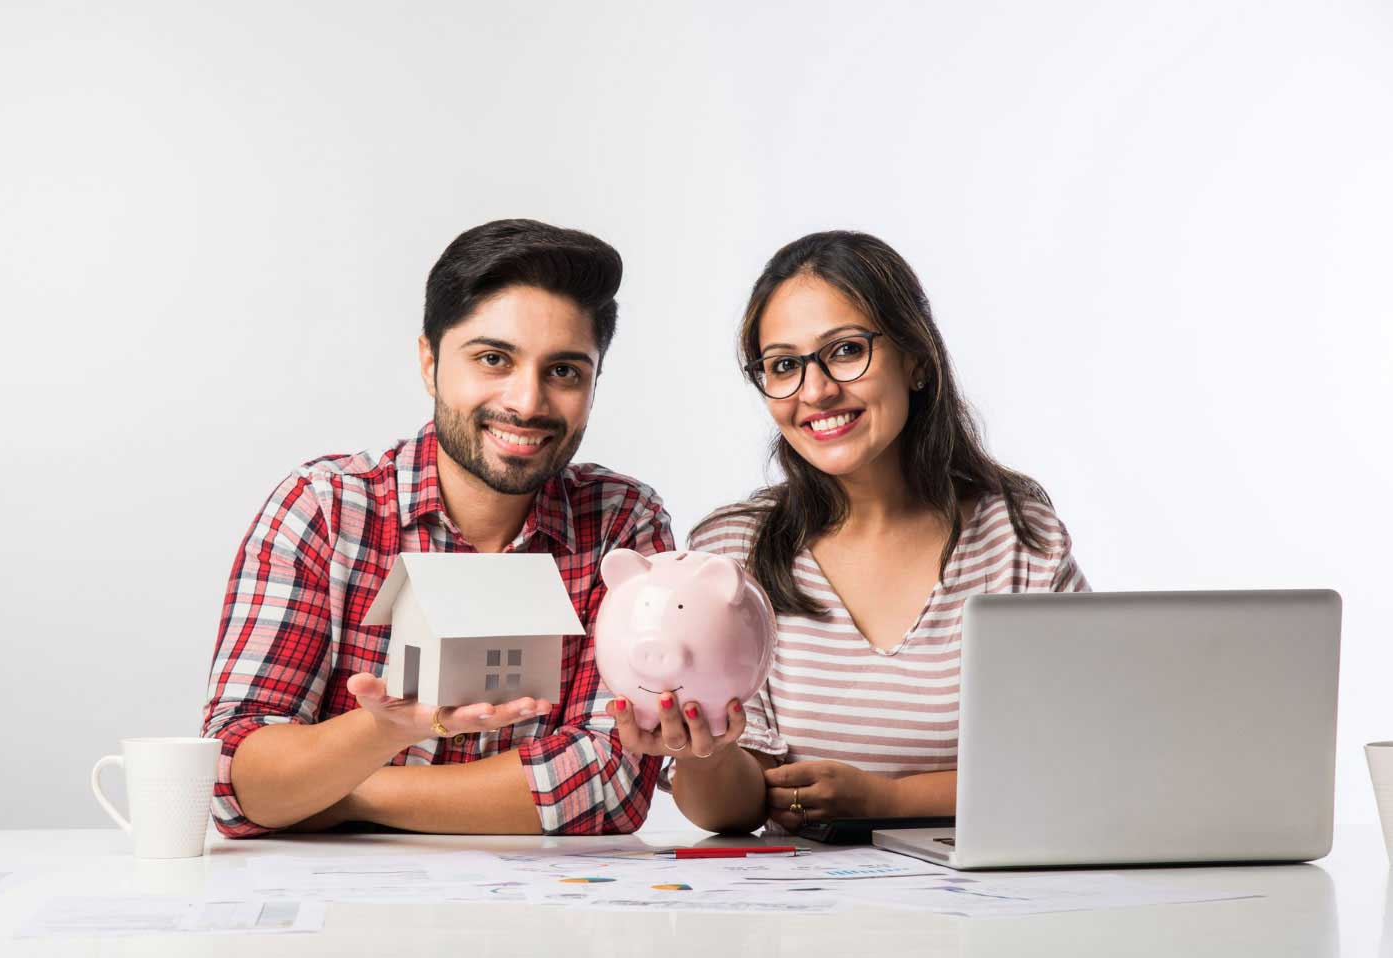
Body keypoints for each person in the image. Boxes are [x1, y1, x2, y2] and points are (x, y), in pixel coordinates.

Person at [201, 219, 673, 837]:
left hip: (545, 896)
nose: (527, 403)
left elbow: (611, 783)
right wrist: (382, 730)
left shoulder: (621, 523)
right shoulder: (325, 509)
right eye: (493, 359)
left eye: (564, 371)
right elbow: (236, 780)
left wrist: (346, 791)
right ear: (430, 362)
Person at [610, 230, 1089, 834]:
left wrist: (889, 799)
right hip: (804, 895)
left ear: (916, 359)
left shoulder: (1017, 540)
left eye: (844, 351)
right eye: (784, 366)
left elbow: (1076, 760)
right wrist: (705, 753)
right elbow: (733, 812)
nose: (815, 392)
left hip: (989, 885)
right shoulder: (732, 555)